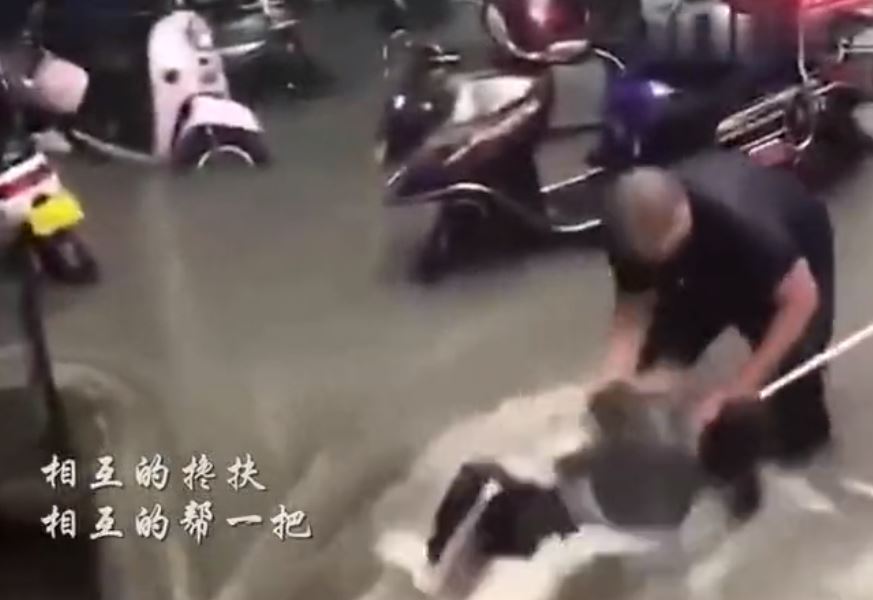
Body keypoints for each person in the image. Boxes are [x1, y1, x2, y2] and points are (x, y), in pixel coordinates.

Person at [600, 148, 834, 464]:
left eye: (665, 251)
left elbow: (802, 299)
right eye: (649, 259)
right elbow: (632, 308)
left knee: (795, 391)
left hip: (791, 260)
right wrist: (615, 377)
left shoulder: (743, 225)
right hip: (700, 265)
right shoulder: (627, 233)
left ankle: (798, 440)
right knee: (643, 382)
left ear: (684, 210)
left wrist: (740, 387)